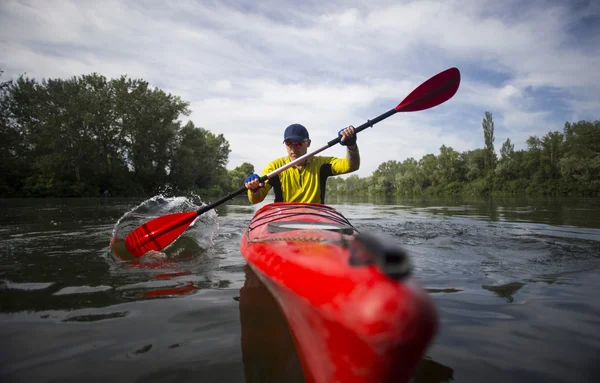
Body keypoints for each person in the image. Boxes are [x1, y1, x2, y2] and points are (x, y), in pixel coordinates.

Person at [244, 123, 360, 204]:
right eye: (289, 143)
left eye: (298, 143)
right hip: (283, 219)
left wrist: (351, 146)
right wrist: (254, 189)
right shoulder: (274, 167)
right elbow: (255, 200)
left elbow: (351, 165)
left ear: (308, 143)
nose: (293, 149)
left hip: (315, 219)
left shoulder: (322, 164)